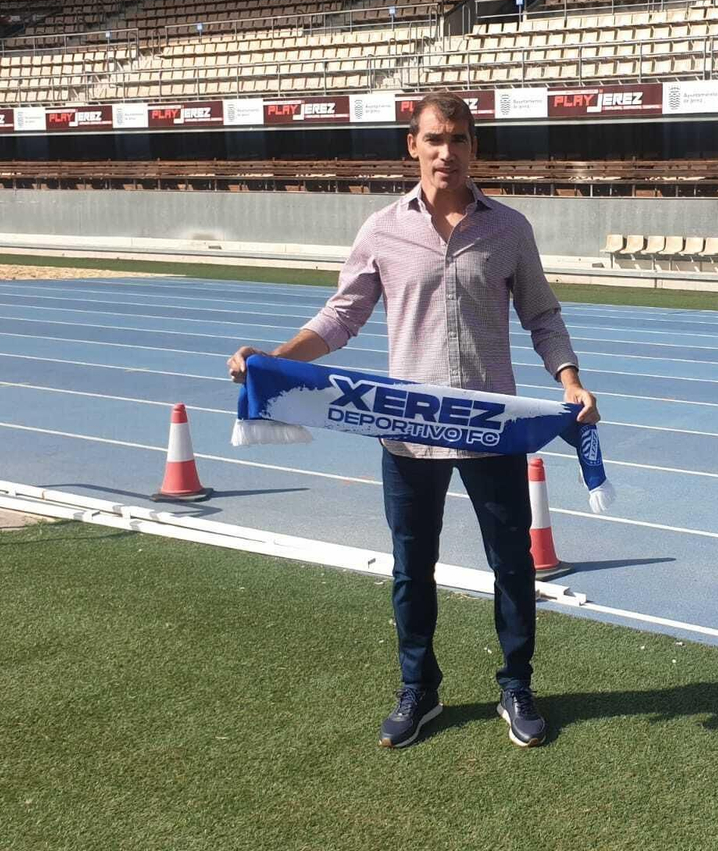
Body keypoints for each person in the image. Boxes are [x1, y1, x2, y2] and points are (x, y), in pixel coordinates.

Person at [227, 92, 598, 749]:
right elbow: (342, 317)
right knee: (411, 566)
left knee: (512, 565)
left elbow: (541, 316)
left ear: (474, 147)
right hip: (408, 430)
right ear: (413, 146)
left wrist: (569, 380)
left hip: (491, 429)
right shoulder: (381, 230)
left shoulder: (510, 229)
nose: (446, 152)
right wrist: (276, 361)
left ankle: (516, 685)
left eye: (458, 139)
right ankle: (418, 689)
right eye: (434, 139)